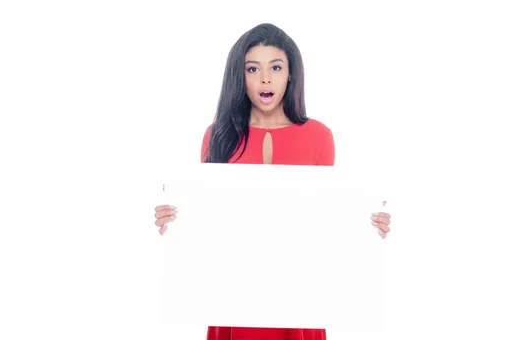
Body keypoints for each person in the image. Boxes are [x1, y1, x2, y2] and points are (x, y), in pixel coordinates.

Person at [153, 23, 392, 340]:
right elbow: (211, 222)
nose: (265, 78)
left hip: (299, 297)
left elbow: (323, 221)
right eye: (253, 68)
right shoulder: (217, 136)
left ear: (290, 74)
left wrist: (366, 225)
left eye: (275, 67)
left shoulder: (319, 136)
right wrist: (175, 222)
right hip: (233, 295)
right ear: (242, 76)